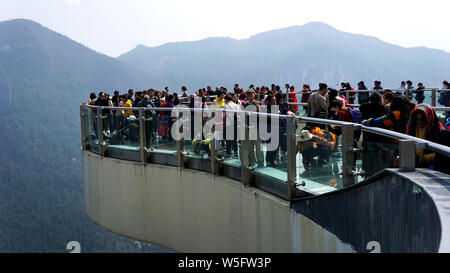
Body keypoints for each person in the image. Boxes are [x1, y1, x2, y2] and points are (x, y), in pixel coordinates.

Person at [406, 104, 448, 173]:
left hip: (433, 167)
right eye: (416, 119)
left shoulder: (439, 132)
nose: (418, 121)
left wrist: (428, 157)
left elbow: (444, 153)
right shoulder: (412, 129)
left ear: (429, 118)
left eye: (422, 119)